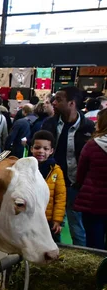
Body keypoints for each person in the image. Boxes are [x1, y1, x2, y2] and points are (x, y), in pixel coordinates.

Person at [42, 86, 95, 246]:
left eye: (59, 99)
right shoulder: (49, 124)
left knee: (77, 227)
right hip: (51, 183)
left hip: (75, 185)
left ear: (71, 103)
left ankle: (80, 261)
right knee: (50, 224)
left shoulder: (88, 127)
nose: (54, 102)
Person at [73, 109, 107, 250]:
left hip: (93, 201)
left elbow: (80, 174)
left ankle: (97, 270)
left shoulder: (92, 145)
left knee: (94, 244)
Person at [31, 131, 66, 242]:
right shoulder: (26, 168)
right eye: (37, 148)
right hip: (30, 218)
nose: (41, 151)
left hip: (49, 220)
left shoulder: (56, 171)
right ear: (31, 149)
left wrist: (57, 220)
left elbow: (60, 197)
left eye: (45, 149)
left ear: (51, 151)